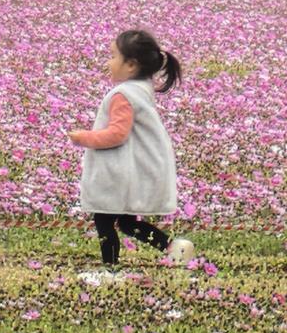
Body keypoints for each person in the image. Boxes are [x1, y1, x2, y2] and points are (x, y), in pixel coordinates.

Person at [68, 30, 195, 282]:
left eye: (113, 56)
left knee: (104, 220)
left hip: (117, 173)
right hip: (129, 171)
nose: (108, 62)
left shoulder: (122, 95)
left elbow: (117, 134)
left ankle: (111, 271)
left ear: (131, 65)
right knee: (126, 223)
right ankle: (174, 247)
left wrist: (83, 137)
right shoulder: (141, 90)